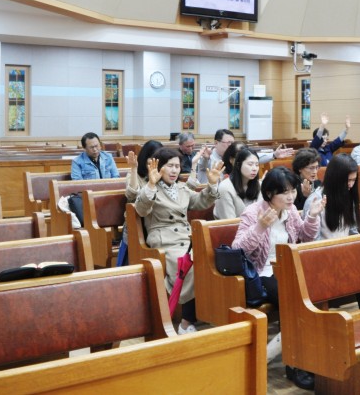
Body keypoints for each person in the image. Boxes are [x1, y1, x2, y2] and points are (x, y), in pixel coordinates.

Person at [232, 166, 321, 390]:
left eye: (293, 190)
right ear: (271, 193)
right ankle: (291, 364)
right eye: (285, 192)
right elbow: (238, 250)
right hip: (261, 272)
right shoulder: (253, 212)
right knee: (296, 305)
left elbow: (304, 236)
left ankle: (295, 359)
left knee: (314, 299)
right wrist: (261, 226)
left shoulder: (290, 211)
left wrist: (311, 216)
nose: (291, 196)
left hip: (286, 269)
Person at [134, 147, 224, 334]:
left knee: (214, 260)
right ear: (158, 168)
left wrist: (212, 185)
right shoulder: (150, 188)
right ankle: (185, 322)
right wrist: (151, 184)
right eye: (170, 166)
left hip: (186, 237)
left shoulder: (182, 188)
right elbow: (141, 210)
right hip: (164, 241)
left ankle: (210, 312)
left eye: (177, 166)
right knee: (190, 265)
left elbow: (200, 202)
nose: (174, 170)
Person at [303, 153, 359, 239]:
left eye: (354, 180)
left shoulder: (348, 194)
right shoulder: (315, 201)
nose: (351, 185)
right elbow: (312, 241)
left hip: (346, 249)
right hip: (324, 250)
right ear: (335, 179)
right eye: (348, 180)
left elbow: (353, 231)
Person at [214, 147, 262, 219]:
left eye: (257, 165)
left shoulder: (260, 185)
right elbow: (229, 223)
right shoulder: (225, 188)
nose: (254, 168)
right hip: (234, 229)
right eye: (250, 164)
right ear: (238, 165)